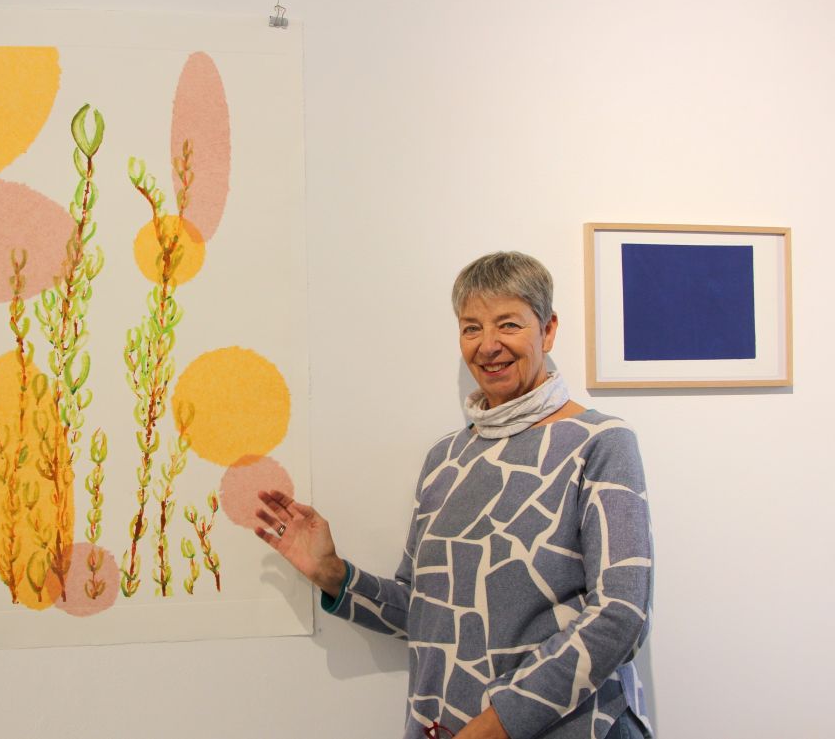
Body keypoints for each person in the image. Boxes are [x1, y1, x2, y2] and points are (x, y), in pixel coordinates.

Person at [254, 251, 653, 739]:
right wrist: (333, 575)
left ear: (547, 330)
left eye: (508, 324)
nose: (488, 345)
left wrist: (498, 723)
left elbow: (621, 616)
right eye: (471, 328)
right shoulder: (445, 459)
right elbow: (423, 611)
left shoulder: (601, 442)